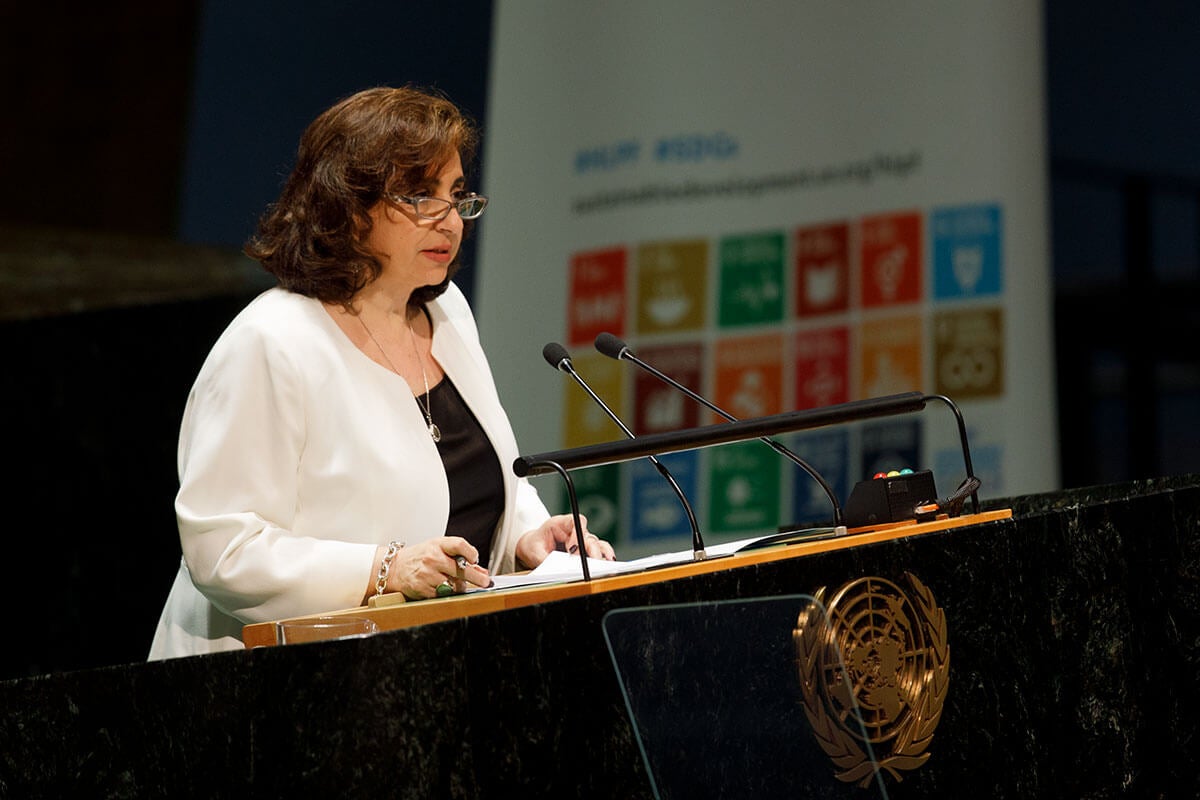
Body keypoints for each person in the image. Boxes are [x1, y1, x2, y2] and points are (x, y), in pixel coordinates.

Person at [149, 85, 614, 659]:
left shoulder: (446, 312)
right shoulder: (272, 343)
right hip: (265, 689)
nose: (451, 221)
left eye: (458, 194)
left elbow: (481, 477)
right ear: (348, 206)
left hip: (414, 672)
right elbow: (222, 549)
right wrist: (381, 569)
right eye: (421, 196)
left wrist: (527, 538)